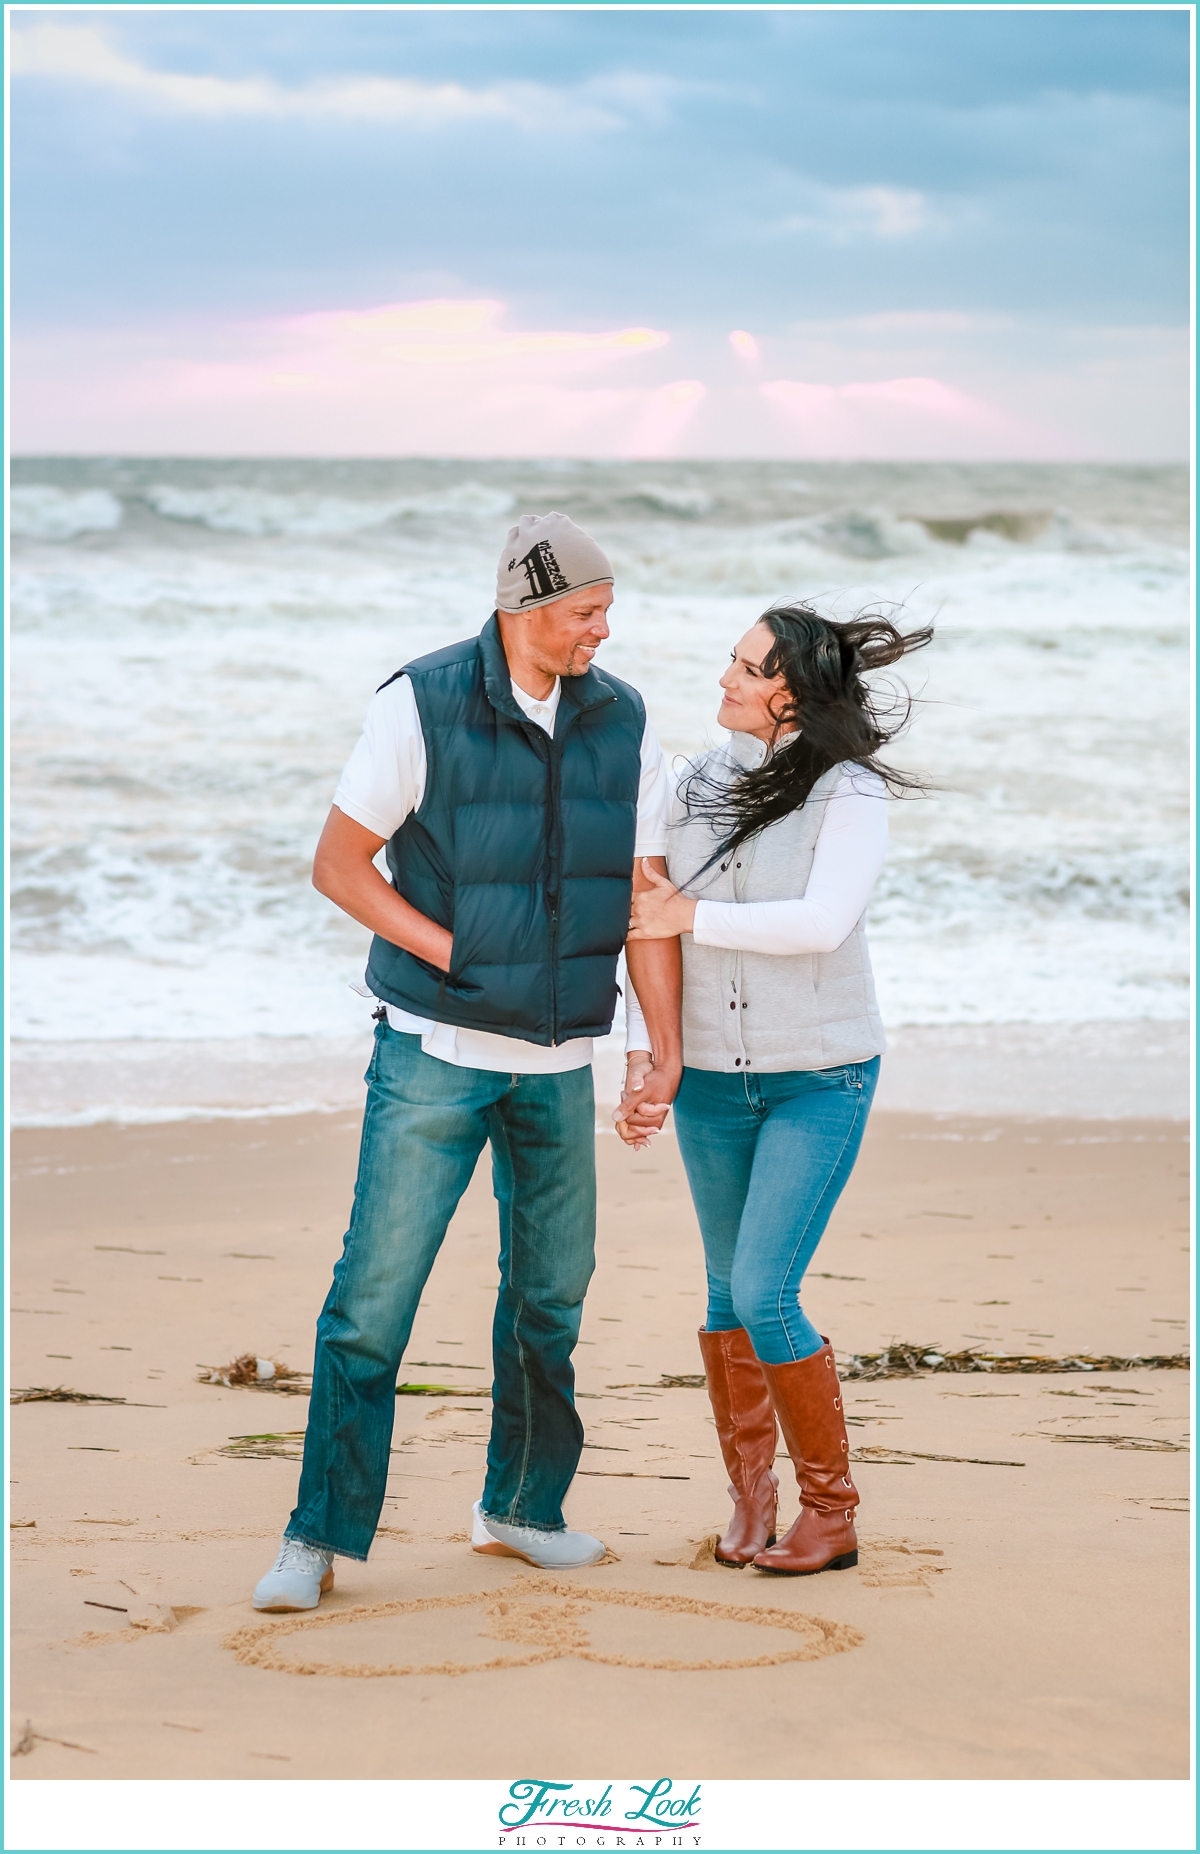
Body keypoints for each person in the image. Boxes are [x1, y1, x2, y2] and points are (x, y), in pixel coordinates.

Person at [252, 513, 681, 1611]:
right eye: (587, 612)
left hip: (558, 1064)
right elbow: (340, 866)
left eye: (607, 612)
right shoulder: (421, 702)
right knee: (373, 1299)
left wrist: (657, 1048)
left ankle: (522, 1510)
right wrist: (459, 954)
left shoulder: (621, 717)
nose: (602, 630)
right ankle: (318, 1537)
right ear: (526, 608)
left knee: (550, 1297)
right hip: (434, 1051)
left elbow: (643, 896)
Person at [618, 601, 930, 1576]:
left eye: (745, 669)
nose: (725, 680)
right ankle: (752, 1499)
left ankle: (830, 1512)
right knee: (724, 1293)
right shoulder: (692, 782)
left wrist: (688, 914)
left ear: (789, 695)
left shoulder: (848, 792)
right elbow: (643, 917)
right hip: (712, 1081)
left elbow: (822, 922)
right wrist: (646, 1054)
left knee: (763, 1287)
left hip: (820, 1074)